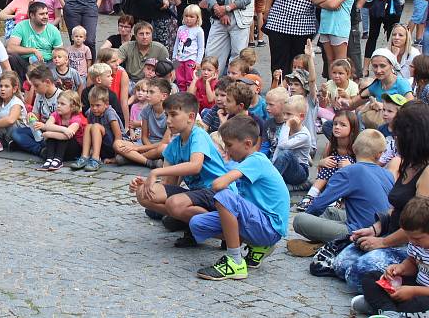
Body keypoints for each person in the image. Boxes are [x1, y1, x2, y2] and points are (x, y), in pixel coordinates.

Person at [334, 101, 429, 293]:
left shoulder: (427, 171)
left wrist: (383, 243)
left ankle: (414, 285)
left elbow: (418, 224)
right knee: (341, 264)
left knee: (356, 274)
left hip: (412, 245)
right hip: (389, 234)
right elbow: (395, 210)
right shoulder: (406, 163)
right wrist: (375, 229)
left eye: (397, 135)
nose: (394, 139)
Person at [189, 115, 290, 281]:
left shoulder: (257, 160)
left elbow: (219, 185)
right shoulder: (244, 162)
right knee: (197, 223)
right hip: (258, 220)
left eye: (229, 145)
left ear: (247, 144)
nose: (227, 150)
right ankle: (257, 246)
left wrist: (221, 166)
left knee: (223, 196)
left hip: (270, 226)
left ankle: (235, 261)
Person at [130, 92, 231, 248]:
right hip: (196, 195)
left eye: (173, 115)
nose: (168, 120)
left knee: (175, 204)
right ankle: (191, 223)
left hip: (219, 192)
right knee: (144, 194)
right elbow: (168, 183)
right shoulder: (174, 144)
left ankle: (228, 232)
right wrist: (145, 184)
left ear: (191, 117)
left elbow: (195, 165)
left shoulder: (199, 135)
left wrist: (155, 172)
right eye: (166, 115)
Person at [291, 129, 392, 247]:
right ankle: (326, 237)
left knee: (300, 220)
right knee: (330, 212)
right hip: (383, 229)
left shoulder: (349, 171)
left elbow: (320, 203)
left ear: (354, 148)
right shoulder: (388, 174)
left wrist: (308, 216)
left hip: (359, 232)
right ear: (380, 154)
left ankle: (333, 243)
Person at [355, 196, 429, 317]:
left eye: (417, 238)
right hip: (415, 286)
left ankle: (380, 307)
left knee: (418, 305)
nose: (412, 241)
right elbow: (412, 262)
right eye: (409, 237)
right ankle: (388, 311)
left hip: (423, 295)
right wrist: (400, 269)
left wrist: (414, 291)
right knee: (371, 277)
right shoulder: (417, 244)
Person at [297, 109, 358, 211]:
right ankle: (311, 196)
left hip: (349, 183)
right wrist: (322, 162)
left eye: (343, 125)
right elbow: (320, 167)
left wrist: (350, 166)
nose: (337, 127)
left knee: (345, 160)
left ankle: (336, 199)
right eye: (335, 124)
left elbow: (362, 168)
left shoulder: (356, 146)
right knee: (330, 161)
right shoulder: (331, 145)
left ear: (352, 129)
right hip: (330, 181)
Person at [70, 86, 123, 172]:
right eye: (92, 105)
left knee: (95, 126)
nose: (94, 108)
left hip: (114, 146)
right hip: (101, 146)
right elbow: (89, 133)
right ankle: (84, 156)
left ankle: (95, 159)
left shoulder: (110, 113)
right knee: (89, 126)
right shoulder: (90, 112)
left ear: (106, 104)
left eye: (98, 105)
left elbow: (118, 136)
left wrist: (115, 157)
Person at [6, 1, 63, 80]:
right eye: (41, 14)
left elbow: (60, 52)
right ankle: (20, 86)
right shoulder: (21, 26)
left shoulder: (53, 30)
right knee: (11, 57)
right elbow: (10, 48)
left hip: (46, 63)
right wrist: (33, 50)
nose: (46, 16)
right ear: (32, 15)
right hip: (25, 62)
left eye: (46, 13)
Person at [38, 90, 87, 171]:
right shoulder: (56, 114)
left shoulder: (76, 119)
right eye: (58, 103)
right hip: (59, 146)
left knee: (59, 135)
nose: (58, 106)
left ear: (72, 106)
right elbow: (47, 125)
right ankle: (49, 159)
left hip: (73, 148)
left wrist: (49, 134)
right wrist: (64, 129)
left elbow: (66, 136)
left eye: (62, 104)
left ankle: (58, 159)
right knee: (57, 133)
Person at [173, 4, 205, 93]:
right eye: (186, 16)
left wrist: (198, 62)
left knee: (190, 79)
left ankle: (191, 97)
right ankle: (181, 95)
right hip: (179, 59)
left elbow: (201, 48)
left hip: (191, 59)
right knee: (179, 79)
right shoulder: (180, 28)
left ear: (197, 18)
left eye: (191, 17)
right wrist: (174, 58)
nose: (188, 19)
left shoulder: (199, 31)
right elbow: (176, 44)